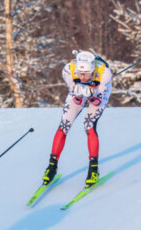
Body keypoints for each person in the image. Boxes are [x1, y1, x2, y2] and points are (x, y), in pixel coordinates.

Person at [42, 50, 113, 188]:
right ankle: (52, 166)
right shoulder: (68, 70)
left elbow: (98, 102)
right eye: (80, 74)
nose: (83, 77)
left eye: (86, 74)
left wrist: (92, 95)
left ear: (92, 70)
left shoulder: (105, 74)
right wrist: (79, 94)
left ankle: (93, 169)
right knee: (64, 125)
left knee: (89, 125)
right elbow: (75, 97)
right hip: (79, 90)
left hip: (98, 92)